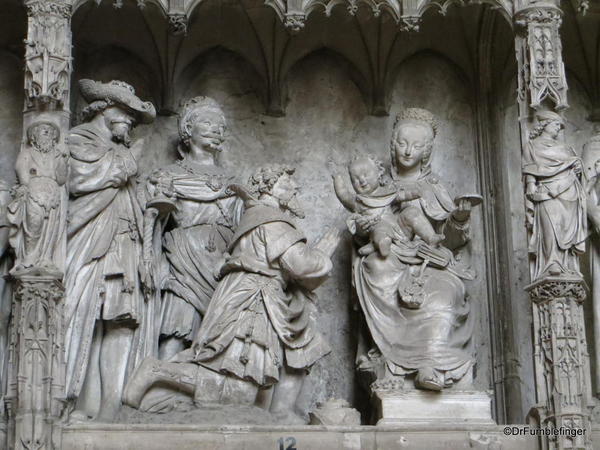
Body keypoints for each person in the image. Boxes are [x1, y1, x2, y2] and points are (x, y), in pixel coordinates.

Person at [124, 165, 339, 423]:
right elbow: (300, 264)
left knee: (249, 388)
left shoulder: (256, 216)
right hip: (253, 301)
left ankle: (160, 383)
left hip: (252, 295)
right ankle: (155, 372)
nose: (294, 188)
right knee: (237, 391)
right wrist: (324, 256)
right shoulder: (271, 221)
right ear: (268, 188)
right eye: (286, 182)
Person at [353, 108, 477, 391]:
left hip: (427, 263)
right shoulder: (379, 186)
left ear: (427, 151)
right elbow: (362, 227)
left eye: (417, 145)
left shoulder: (433, 188)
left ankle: (432, 365)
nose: (408, 151)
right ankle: (395, 364)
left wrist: (458, 219)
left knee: (446, 293)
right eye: (402, 143)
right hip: (390, 258)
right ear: (392, 144)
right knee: (375, 265)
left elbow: (451, 241)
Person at [64, 79, 156, 421]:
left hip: (123, 242)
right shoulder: (78, 140)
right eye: (125, 111)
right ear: (102, 108)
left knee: (120, 320)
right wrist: (125, 164)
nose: (130, 120)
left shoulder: (121, 149)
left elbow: (132, 195)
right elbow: (77, 181)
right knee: (81, 312)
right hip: (88, 241)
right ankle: (70, 401)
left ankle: (110, 406)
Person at [143, 96, 242, 361]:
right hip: (183, 261)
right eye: (207, 122)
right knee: (178, 330)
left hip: (222, 264)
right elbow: (152, 222)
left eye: (220, 125)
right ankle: (155, 392)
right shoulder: (168, 176)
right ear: (188, 129)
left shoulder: (233, 182)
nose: (216, 129)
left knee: (223, 340)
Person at [330, 153, 444, 258]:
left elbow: (402, 195)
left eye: (365, 174)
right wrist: (337, 178)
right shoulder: (358, 201)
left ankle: (431, 238)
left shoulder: (386, 191)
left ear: (378, 173)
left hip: (400, 229)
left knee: (412, 212)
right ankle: (381, 245)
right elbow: (343, 195)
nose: (362, 180)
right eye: (355, 179)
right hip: (378, 229)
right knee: (381, 230)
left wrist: (416, 192)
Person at [523, 110, 587, 280]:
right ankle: (551, 262)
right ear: (545, 125)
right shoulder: (531, 145)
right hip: (547, 192)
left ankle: (568, 265)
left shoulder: (566, 147)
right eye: (556, 124)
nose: (559, 129)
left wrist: (578, 169)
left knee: (567, 230)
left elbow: (575, 167)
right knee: (550, 228)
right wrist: (530, 184)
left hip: (569, 191)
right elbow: (529, 166)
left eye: (560, 125)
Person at [8, 121, 68, 276]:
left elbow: (62, 179)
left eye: (50, 130)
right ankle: (29, 259)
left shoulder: (56, 155)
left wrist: (63, 160)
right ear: (33, 135)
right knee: (34, 224)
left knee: (50, 227)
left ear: (54, 137)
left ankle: (46, 258)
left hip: (53, 193)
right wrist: (25, 185)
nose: (46, 132)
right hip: (34, 190)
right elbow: (21, 167)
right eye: (42, 129)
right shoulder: (27, 152)